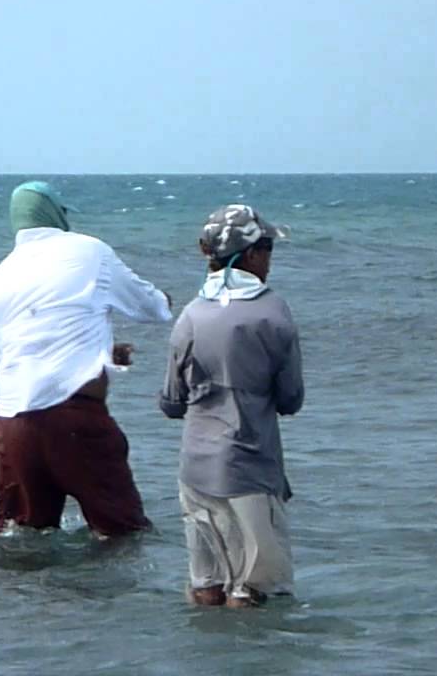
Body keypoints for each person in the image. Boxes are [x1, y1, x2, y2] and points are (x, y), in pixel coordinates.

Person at [0, 181, 173, 537]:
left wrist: (101, 349)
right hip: (74, 422)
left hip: (11, 425)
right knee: (124, 536)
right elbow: (151, 308)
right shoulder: (88, 250)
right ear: (56, 214)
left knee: (22, 539)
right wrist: (165, 301)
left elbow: (20, 352)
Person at [159, 203, 304, 607]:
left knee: (206, 588)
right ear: (253, 254)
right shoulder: (272, 311)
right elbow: (292, 399)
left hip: (196, 470)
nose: (271, 259)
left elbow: (171, 403)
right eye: (269, 248)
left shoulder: (189, 315)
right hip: (250, 467)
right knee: (253, 593)